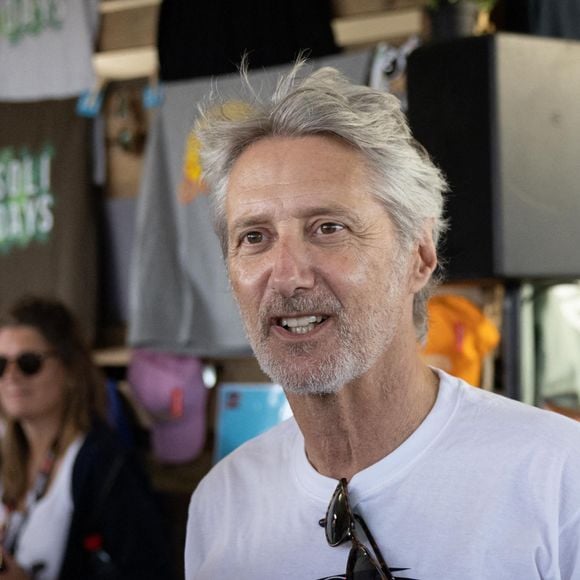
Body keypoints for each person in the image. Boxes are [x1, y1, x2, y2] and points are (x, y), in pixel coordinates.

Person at [184, 62, 580, 579]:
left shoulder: (558, 477)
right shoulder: (223, 505)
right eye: (254, 237)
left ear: (419, 255)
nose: (286, 276)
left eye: (328, 228)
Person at [0, 296, 174, 579]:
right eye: (0, 364)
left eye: (28, 363)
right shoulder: (6, 450)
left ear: (69, 369)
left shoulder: (106, 465)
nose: (10, 376)